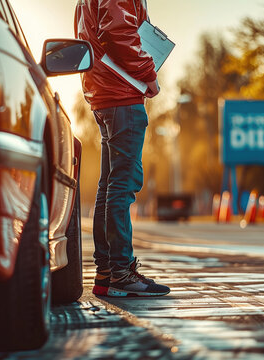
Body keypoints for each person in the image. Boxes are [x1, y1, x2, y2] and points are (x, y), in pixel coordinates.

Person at [75, 0, 170, 297]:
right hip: (121, 92)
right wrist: (148, 72)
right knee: (122, 185)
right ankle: (121, 272)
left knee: (109, 186)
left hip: (104, 92)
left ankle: (106, 272)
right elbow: (118, 31)